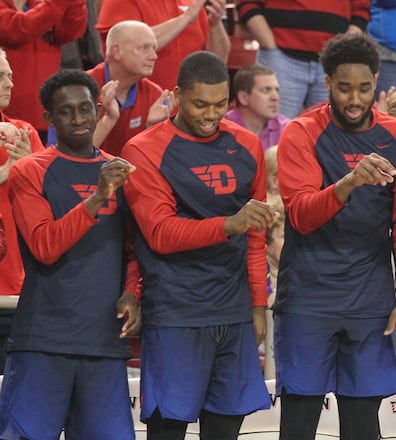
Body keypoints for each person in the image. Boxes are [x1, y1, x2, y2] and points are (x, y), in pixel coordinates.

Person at [121, 51, 275, 438]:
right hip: (176, 313)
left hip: (234, 311)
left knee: (225, 431)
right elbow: (159, 232)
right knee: (168, 430)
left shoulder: (247, 144)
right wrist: (228, 224)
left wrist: (257, 305)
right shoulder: (143, 150)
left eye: (220, 104)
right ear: (176, 96)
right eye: (200, 104)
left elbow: (256, 236)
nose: (211, 114)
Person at [274, 32, 396, 440]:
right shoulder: (301, 132)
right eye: (343, 88)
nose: (354, 99)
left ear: (376, 81)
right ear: (326, 84)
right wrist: (350, 182)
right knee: (299, 424)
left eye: (364, 88)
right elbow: (301, 215)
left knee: (363, 426)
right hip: (308, 296)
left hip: (370, 299)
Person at [0, 69, 140, 440]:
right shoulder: (30, 171)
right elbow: (45, 246)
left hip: (104, 341)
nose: (78, 119)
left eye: (84, 109)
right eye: (65, 111)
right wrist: (97, 197)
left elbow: (134, 250)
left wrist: (133, 292)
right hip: (44, 340)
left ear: (97, 110)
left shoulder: (121, 172)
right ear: (48, 118)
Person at [237, 0, 370, 119]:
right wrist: (270, 45)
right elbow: (248, 3)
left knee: (329, 136)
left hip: (333, 62)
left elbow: (361, 8)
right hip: (281, 58)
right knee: (273, 134)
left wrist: (342, 50)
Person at [0, 49, 46, 374]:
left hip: (22, 289)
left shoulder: (24, 131)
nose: (9, 83)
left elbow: (52, 197)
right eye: (1, 76)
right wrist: (9, 172)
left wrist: (30, 169)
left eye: (11, 76)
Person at [78, 20, 174, 155]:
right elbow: (71, 157)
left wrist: (151, 128)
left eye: (154, 48)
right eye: (143, 48)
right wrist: (109, 120)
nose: (154, 56)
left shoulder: (154, 94)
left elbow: (155, 160)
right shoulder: (80, 89)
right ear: (116, 52)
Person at [97, 0, 230, 91]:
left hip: (189, 108)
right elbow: (127, 45)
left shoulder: (192, 3)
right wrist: (186, 18)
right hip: (140, 107)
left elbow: (218, 60)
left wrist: (215, 24)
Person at [0, 0, 87, 138]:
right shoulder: (50, 5)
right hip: (8, 117)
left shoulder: (43, 4)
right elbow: (19, 28)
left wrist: (76, 3)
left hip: (46, 112)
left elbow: (71, 31)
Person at [225, 64, 290, 152]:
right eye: (266, 90)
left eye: (277, 90)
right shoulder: (222, 128)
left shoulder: (286, 129)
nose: (275, 97)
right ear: (243, 97)